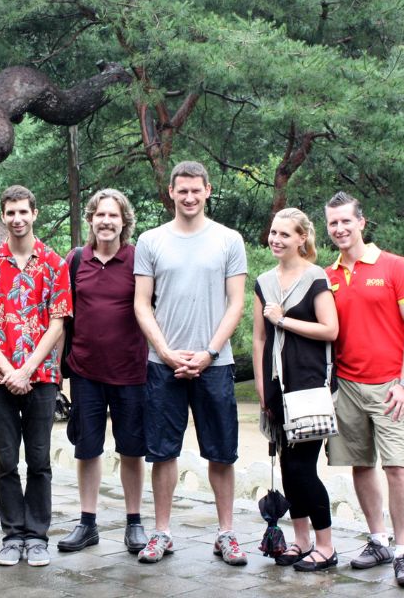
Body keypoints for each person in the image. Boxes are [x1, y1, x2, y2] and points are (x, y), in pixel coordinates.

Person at [133, 161, 247, 565]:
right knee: (162, 452)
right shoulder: (151, 241)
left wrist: (209, 352)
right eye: (182, 190)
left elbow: (236, 303)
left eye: (196, 190)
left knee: (221, 452)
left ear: (208, 190)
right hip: (163, 363)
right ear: (171, 191)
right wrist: (164, 350)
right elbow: (141, 304)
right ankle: (161, 532)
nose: (189, 197)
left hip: (214, 363)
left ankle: (226, 533)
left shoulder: (229, 240)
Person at [324, 192, 404, 588]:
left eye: (346, 221)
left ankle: (403, 551)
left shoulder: (395, 267)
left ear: (361, 223)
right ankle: (378, 540)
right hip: (346, 386)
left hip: (390, 387)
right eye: (333, 223)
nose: (340, 229)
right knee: (361, 465)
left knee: (398, 468)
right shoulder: (327, 276)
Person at [0, 185, 71, 567]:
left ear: (35, 213)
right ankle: (12, 535)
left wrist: (27, 368)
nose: (17, 219)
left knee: (40, 460)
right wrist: (9, 369)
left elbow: (58, 322)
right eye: (10, 213)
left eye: (23, 212)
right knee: (6, 460)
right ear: (3, 216)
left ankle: (37, 536)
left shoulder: (54, 264)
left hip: (41, 377)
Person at [56, 189, 149, 554]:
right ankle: (88, 523)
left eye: (114, 215)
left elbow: (152, 311)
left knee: (131, 450)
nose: (106, 221)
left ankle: (135, 522)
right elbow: (63, 318)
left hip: (131, 372)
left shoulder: (139, 260)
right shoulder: (76, 259)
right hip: (86, 373)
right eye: (100, 215)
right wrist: (59, 372)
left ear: (124, 221)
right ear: (91, 219)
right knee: (87, 449)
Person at [252, 208, 339, 571]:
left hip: (309, 387)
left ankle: (326, 546)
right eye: (273, 232)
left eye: (285, 234)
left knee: (304, 469)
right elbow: (259, 339)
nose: (276, 240)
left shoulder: (316, 277)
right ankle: (300, 540)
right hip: (276, 389)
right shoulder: (264, 281)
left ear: (302, 238)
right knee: (288, 468)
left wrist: (284, 320)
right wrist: (260, 389)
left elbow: (330, 330)